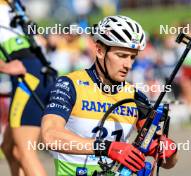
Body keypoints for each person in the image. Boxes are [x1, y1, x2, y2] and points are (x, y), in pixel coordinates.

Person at [41, 15, 178, 175]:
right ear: (99, 50)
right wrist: (106, 148)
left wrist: (169, 150)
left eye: (132, 57)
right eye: (121, 56)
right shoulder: (69, 84)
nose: (128, 65)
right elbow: (50, 135)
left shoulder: (135, 96)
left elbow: (166, 161)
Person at [0, 1, 55, 175]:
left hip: (27, 75)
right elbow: (43, 42)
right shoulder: (12, 4)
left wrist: (4, 67)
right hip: (42, 72)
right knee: (10, 147)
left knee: (25, 152)